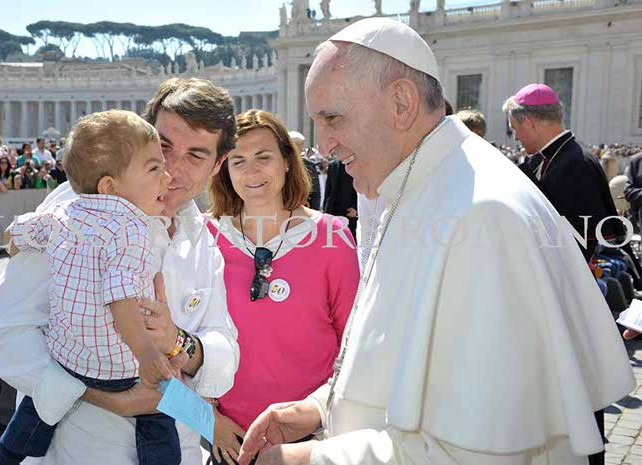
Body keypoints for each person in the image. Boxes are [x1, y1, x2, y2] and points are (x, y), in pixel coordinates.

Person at [235, 18, 635, 465]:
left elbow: (473, 452)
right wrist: (319, 408)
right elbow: (399, 360)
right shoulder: (419, 185)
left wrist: (304, 460)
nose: (323, 144)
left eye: (332, 118)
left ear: (401, 102)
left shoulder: (482, 215)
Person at [0, 76, 240, 465]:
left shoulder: (202, 239)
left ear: (218, 165)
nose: (172, 170)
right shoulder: (78, 211)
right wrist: (106, 399)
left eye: (195, 156)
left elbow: (219, 359)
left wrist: (176, 341)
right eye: (163, 149)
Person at [0, 110, 179, 465]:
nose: (167, 176)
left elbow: (14, 235)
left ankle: (5, 457)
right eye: (155, 168)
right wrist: (147, 355)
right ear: (110, 187)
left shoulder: (63, 213)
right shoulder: (132, 228)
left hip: (66, 358)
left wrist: (16, 246)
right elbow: (120, 299)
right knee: (159, 417)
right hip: (119, 368)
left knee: (34, 414)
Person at [206, 109, 359, 465]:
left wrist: (316, 416)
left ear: (288, 161)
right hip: (226, 440)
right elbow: (170, 349)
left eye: (264, 157)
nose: (252, 171)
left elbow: (354, 347)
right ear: (225, 170)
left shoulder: (332, 236)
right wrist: (207, 419)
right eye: (238, 161)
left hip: (307, 440)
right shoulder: (203, 237)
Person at [503, 84, 624, 263]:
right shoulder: (545, 159)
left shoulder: (578, 164)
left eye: (514, 128)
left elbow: (585, 245)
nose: (515, 137)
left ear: (528, 122)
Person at [323, 158, 357, 238]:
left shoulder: (355, 163)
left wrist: (356, 208)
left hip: (349, 211)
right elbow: (328, 189)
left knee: (349, 238)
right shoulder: (333, 165)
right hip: (333, 210)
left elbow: (360, 188)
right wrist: (325, 209)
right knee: (332, 238)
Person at [288, 131, 322, 210]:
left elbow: (315, 193)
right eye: (300, 145)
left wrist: (314, 211)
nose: (302, 148)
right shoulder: (281, 164)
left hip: (305, 209)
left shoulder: (310, 166)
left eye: (301, 144)